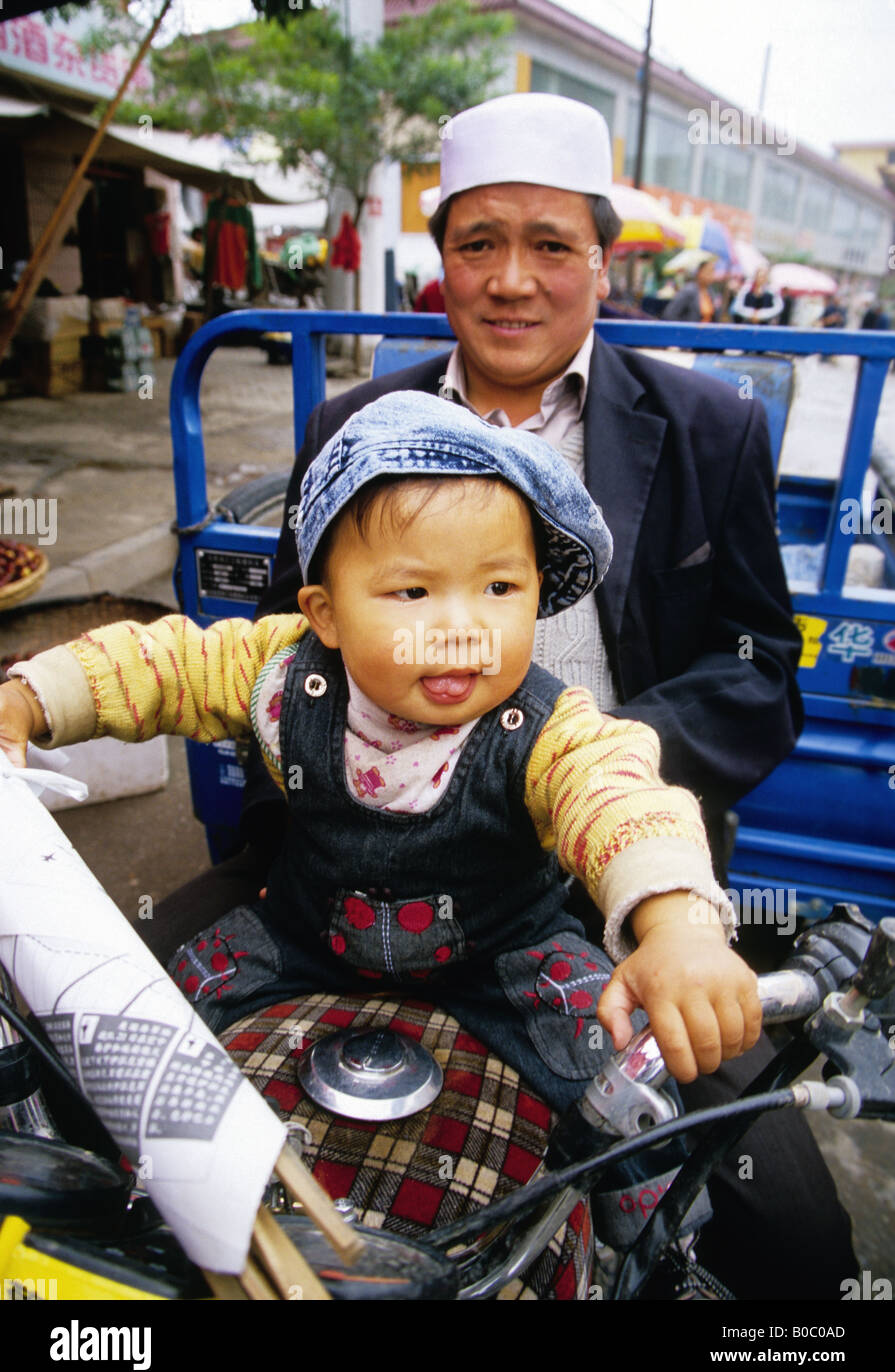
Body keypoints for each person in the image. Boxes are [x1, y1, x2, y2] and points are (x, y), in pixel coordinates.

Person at [118, 92, 854, 1298]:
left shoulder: (708, 425)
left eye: (550, 245)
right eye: (478, 244)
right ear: (441, 263)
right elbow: (280, 644)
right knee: (98, 1032)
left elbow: (763, 667)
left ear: (599, 264)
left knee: (790, 1243)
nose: (512, 280)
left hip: (599, 879)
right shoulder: (356, 422)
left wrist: (579, 764)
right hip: (347, 860)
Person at [2, 393, 758, 1117]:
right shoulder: (277, 672)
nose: (461, 627)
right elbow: (159, 665)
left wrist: (677, 929)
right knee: (139, 1038)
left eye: (498, 586)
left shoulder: (550, 728)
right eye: (411, 592)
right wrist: (28, 700)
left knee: (623, 1089)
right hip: (304, 936)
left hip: (505, 961)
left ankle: (649, 1233)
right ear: (324, 615)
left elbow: (623, 800)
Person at [661, 256, 719, 322]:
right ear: (699, 272)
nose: (712, 275)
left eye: (713, 272)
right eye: (708, 272)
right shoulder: (688, 291)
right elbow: (669, 314)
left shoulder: (711, 292)